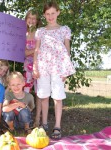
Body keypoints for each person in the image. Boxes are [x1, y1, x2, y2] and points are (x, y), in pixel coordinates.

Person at [33, 2, 76, 140]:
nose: (50, 16)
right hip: (43, 66)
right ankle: (44, 124)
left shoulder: (64, 29)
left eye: (53, 13)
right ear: (44, 15)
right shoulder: (40, 31)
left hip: (58, 67)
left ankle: (57, 125)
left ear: (58, 12)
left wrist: (66, 69)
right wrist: (35, 66)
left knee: (57, 96)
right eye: (47, 14)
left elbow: (67, 50)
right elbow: (36, 50)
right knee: (44, 96)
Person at [23, 9, 42, 127]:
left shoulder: (40, 33)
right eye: (29, 18)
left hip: (40, 67)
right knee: (26, 92)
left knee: (39, 93)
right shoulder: (22, 34)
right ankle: (25, 118)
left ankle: (37, 119)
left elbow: (42, 52)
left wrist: (31, 52)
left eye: (34, 18)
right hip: (27, 68)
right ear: (26, 19)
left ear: (37, 20)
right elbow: (23, 53)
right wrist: (35, 50)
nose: (31, 20)